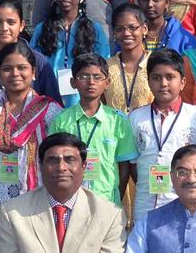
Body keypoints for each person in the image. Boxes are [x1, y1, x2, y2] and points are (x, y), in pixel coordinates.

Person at [0, 42, 63, 207]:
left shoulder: (51, 111)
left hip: (37, 198)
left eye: (22, 68)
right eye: (7, 69)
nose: (14, 74)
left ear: (33, 72)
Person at [128, 49, 196, 220]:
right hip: (145, 204)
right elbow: (133, 164)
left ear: (182, 82)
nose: (163, 83)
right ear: (148, 81)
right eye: (156, 78)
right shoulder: (136, 118)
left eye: (170, 77)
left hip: (183, 203)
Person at [46, 53, 137, 206]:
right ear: (73, 82)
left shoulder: (117, 120)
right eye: (83, 77)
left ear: (107, 82)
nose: (91, 82)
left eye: (97, 77)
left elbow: (124, 166)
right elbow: (53, 161)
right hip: (70, 201)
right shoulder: (62, 120)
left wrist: (115, 199)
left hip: (107, 200)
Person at [31, 0, 111, 108]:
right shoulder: (42, 29)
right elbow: (32, 66)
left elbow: (103, 66)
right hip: (47, 102)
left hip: (84, 102)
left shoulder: (94, 29)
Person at [104, 2, 154, 114]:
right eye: (119, 29)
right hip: (113, 130)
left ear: (144, 29)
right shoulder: (106, 67)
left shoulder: (156, 64)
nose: (126, 33)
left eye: (132, 27)